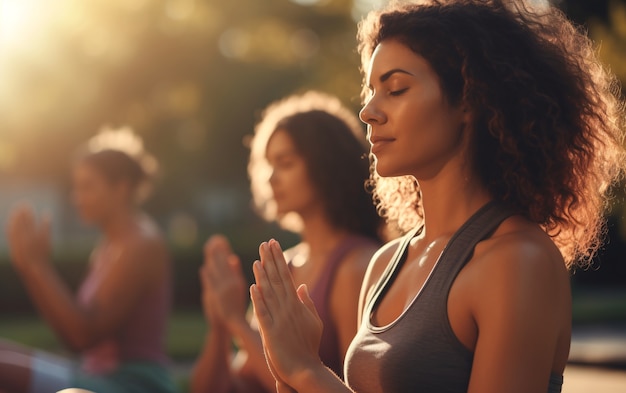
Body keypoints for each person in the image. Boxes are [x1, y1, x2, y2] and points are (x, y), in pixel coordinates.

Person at [249, 1, 626, 393]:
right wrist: (286, 369)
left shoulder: (516, 261)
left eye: (396, 89)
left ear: (469, 100)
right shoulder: (384, 266)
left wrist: (307, 370)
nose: (368, 111)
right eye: (371, 90)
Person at [191, 91, 383, 393]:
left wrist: (238, 324)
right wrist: (220, 323)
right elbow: (223, 387)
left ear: (327, 165)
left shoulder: (358, 266)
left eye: (285, 163)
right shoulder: (286, 267)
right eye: (268, 165)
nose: (271, 179)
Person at [1, 128, 177, 393]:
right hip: (95, 374)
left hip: (133, 383)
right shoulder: (109, 245)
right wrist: (29, 267)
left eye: (87, 187)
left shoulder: (142, 244)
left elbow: (81, 336)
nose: (77, 197)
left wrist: (38, 266)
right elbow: (70, 332)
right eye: (76, 187)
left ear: (121, 188)